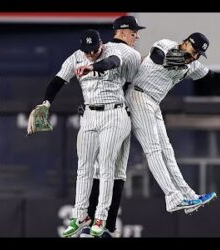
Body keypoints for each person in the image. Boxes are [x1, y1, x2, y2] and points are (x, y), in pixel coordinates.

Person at [125, 32, 220, 214]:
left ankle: (189, 196)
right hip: (137, 95)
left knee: (167, 151)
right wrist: (185, 59)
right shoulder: (166, 45)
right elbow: (159, 56)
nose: (194, 56)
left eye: (198, 54)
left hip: (153, 103)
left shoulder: (192, 64)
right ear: (185, 42)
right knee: (153, 149)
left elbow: (212, 78)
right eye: (193, 50)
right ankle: (172, 197)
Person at [29, 29, 131, 237]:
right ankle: (80, 215)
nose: (91, 54)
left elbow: (112, 62)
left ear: (101, 44)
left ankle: (100, 217)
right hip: (90, 114)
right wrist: (46, 103)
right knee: (84, 168)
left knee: (106, 165)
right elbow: (58, 80)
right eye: (87, 51)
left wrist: (91, 67)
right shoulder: (76, 57)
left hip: (115, 113)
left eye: (94, 50)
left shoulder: (112, 50)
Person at [79, 15, 145, 238]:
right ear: (122, 32)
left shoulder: (100, 48)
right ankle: (105, 225)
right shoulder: (129, 53)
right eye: (133, 31)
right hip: (119, 114)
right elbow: (121, 68)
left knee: (100, 168)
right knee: (112, 171)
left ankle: (94, 222)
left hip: (100, 112)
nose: (137, 35)